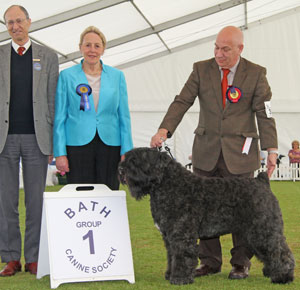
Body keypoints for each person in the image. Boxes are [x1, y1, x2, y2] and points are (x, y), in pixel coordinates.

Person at [151, 26, 278, 280]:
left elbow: (265, 113)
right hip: (206, 151)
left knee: (245, 210)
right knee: (199, 211)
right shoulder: (201, 69)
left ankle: (240, 263)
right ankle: (209, 261)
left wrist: (271, 149)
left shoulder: (256, 73)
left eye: (225, 49)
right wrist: (164, 130)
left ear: (240, 48)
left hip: (241, 153)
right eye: (216, 48)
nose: (219, 54)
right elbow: (182, 101)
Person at [0, 5, 58, 276]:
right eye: (9, 23)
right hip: (4, 140)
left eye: (19, 21)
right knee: (5, 201)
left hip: (38, 139)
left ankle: (34, 257)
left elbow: (53, 101)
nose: (15, 27)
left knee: (36, 201)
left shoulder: (48, 56)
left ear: (29, 22)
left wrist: (54, 144)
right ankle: (11, 257)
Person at [54, 26, 133, 189]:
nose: (92, 50)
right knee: (80, 193)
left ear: (103, 49)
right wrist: (60, 153)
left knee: (109, 192)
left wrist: (127, 151)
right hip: (76, 146)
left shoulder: (117, 76)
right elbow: (60, 117)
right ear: (80, 47)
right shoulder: (66, 76)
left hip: (110, 145)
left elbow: (124, 116)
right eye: (87, 45)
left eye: (97, 46)